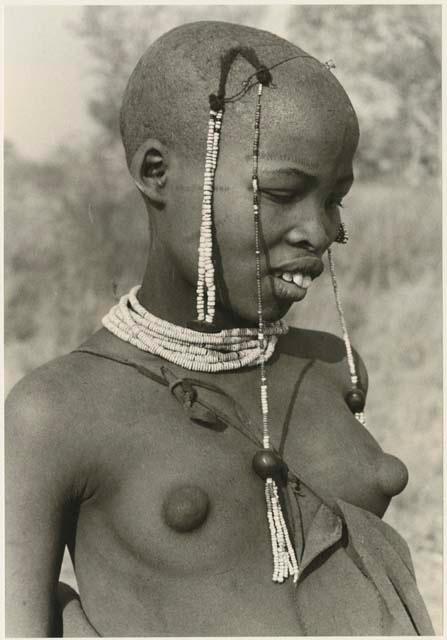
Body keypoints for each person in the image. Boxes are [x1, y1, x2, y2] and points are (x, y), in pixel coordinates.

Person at [5, 20, 434, 637]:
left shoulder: (337, 369)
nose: (320, 231)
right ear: (157, 172)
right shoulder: (55, 415)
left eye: (335, 198)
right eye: (282, 192)